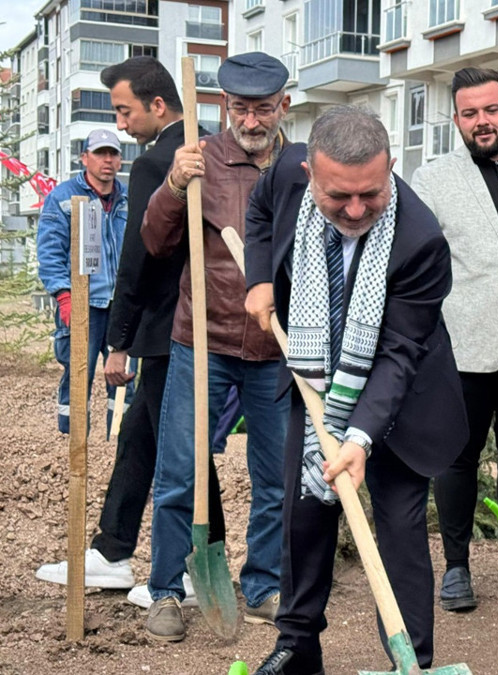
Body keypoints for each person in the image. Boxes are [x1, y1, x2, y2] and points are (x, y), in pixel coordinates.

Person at [242, 105, 468, 675]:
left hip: (403, 397)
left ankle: (411, 660)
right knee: (304, 516)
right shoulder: (284, 173)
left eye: (370, 193)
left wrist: (360, 438)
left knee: (399, 528)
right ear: (310, 174)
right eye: (338, 195)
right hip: (317, 378)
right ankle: (297, 646)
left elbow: (399, 352)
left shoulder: (421, 240)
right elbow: (259, 212)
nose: (356, 209)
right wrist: (260, 277)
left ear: (390, 167)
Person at [32, 57, 227, 604]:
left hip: (169, 331)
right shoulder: (214, 151)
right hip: (202, 324)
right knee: (142, 437)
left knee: (182, 451)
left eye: (124, 111)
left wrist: (118, 339)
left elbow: (138, 260)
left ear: (158, 105)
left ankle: (198, 571)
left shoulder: (155, 164)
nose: (120, 125)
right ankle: (114, 551)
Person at [139, 52, 292, 642]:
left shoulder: (302, 166)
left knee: (275, 478)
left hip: (276, 347)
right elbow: (155, 242)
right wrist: (174, 185)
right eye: (241, 109)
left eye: (263, 109)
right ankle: (166, 591)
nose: (251, 122)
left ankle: (264, 586)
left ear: (284, 106)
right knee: (180, 472)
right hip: (203, 340)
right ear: (225, 106)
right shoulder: (199, 159)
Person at [410, 67, 498, 613]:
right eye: (470, 113)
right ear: (456, 120)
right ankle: (456, 568)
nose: (482, 121)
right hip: (462, 343)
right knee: (456, 459)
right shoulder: (431, 179)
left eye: (491, 110)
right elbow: (420, 262)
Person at [36, 128, 127, 438]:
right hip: (82, 305)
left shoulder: (129, 199)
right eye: (100, 153)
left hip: (121, 306)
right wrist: (64, 296)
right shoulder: (63, 198)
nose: (107, 160)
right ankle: (73, 441)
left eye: (113, 154)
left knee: (124, 378)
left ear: (120, 160)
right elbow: (50, 252)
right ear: (84, 158)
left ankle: (119, 442)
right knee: (78, 374)